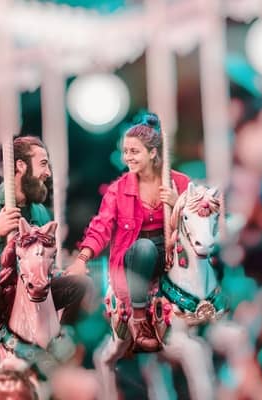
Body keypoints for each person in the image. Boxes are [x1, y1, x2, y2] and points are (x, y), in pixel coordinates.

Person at [0, 136, 90, 377]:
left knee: (79, 284)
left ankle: (59, 341)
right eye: (43, 164)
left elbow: (43, 261)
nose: (48, 172)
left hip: (30, 290)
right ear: (21, 166)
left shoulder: (39, 212)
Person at [65, 113, 191, 352]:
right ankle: (140, 318)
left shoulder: (179, 182)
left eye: (135, 152)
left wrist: (178, 203)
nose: (128, 157)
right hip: (137, 252)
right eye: (127, 152)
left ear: (153, 152)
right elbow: (101, 226)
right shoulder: (118, 189)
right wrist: (83, 258)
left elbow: (197, 220)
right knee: (144, 250)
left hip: (170, 246)